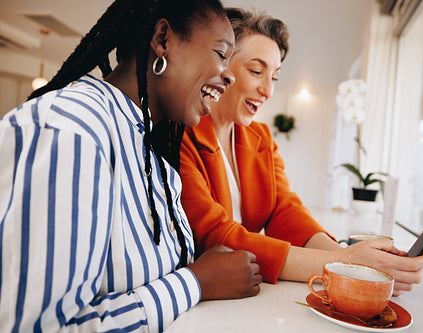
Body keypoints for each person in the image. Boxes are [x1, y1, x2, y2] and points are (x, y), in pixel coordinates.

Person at [0, 1, 263, 331]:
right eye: (222, 54)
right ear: (163, 39)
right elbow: (42, 327)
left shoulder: (154, 160)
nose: (228, 74)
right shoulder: (69, 131)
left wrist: (203, 268)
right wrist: (195, 282)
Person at [179, 7, 423, 296]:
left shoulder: (260, 138)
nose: (268, 91)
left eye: (273, 77)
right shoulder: (181, 135)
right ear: (220, 65)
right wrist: (341, 263)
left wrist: (350, 259)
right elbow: (215, 236)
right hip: (207, 299)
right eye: (256, 71)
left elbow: (285, 211)